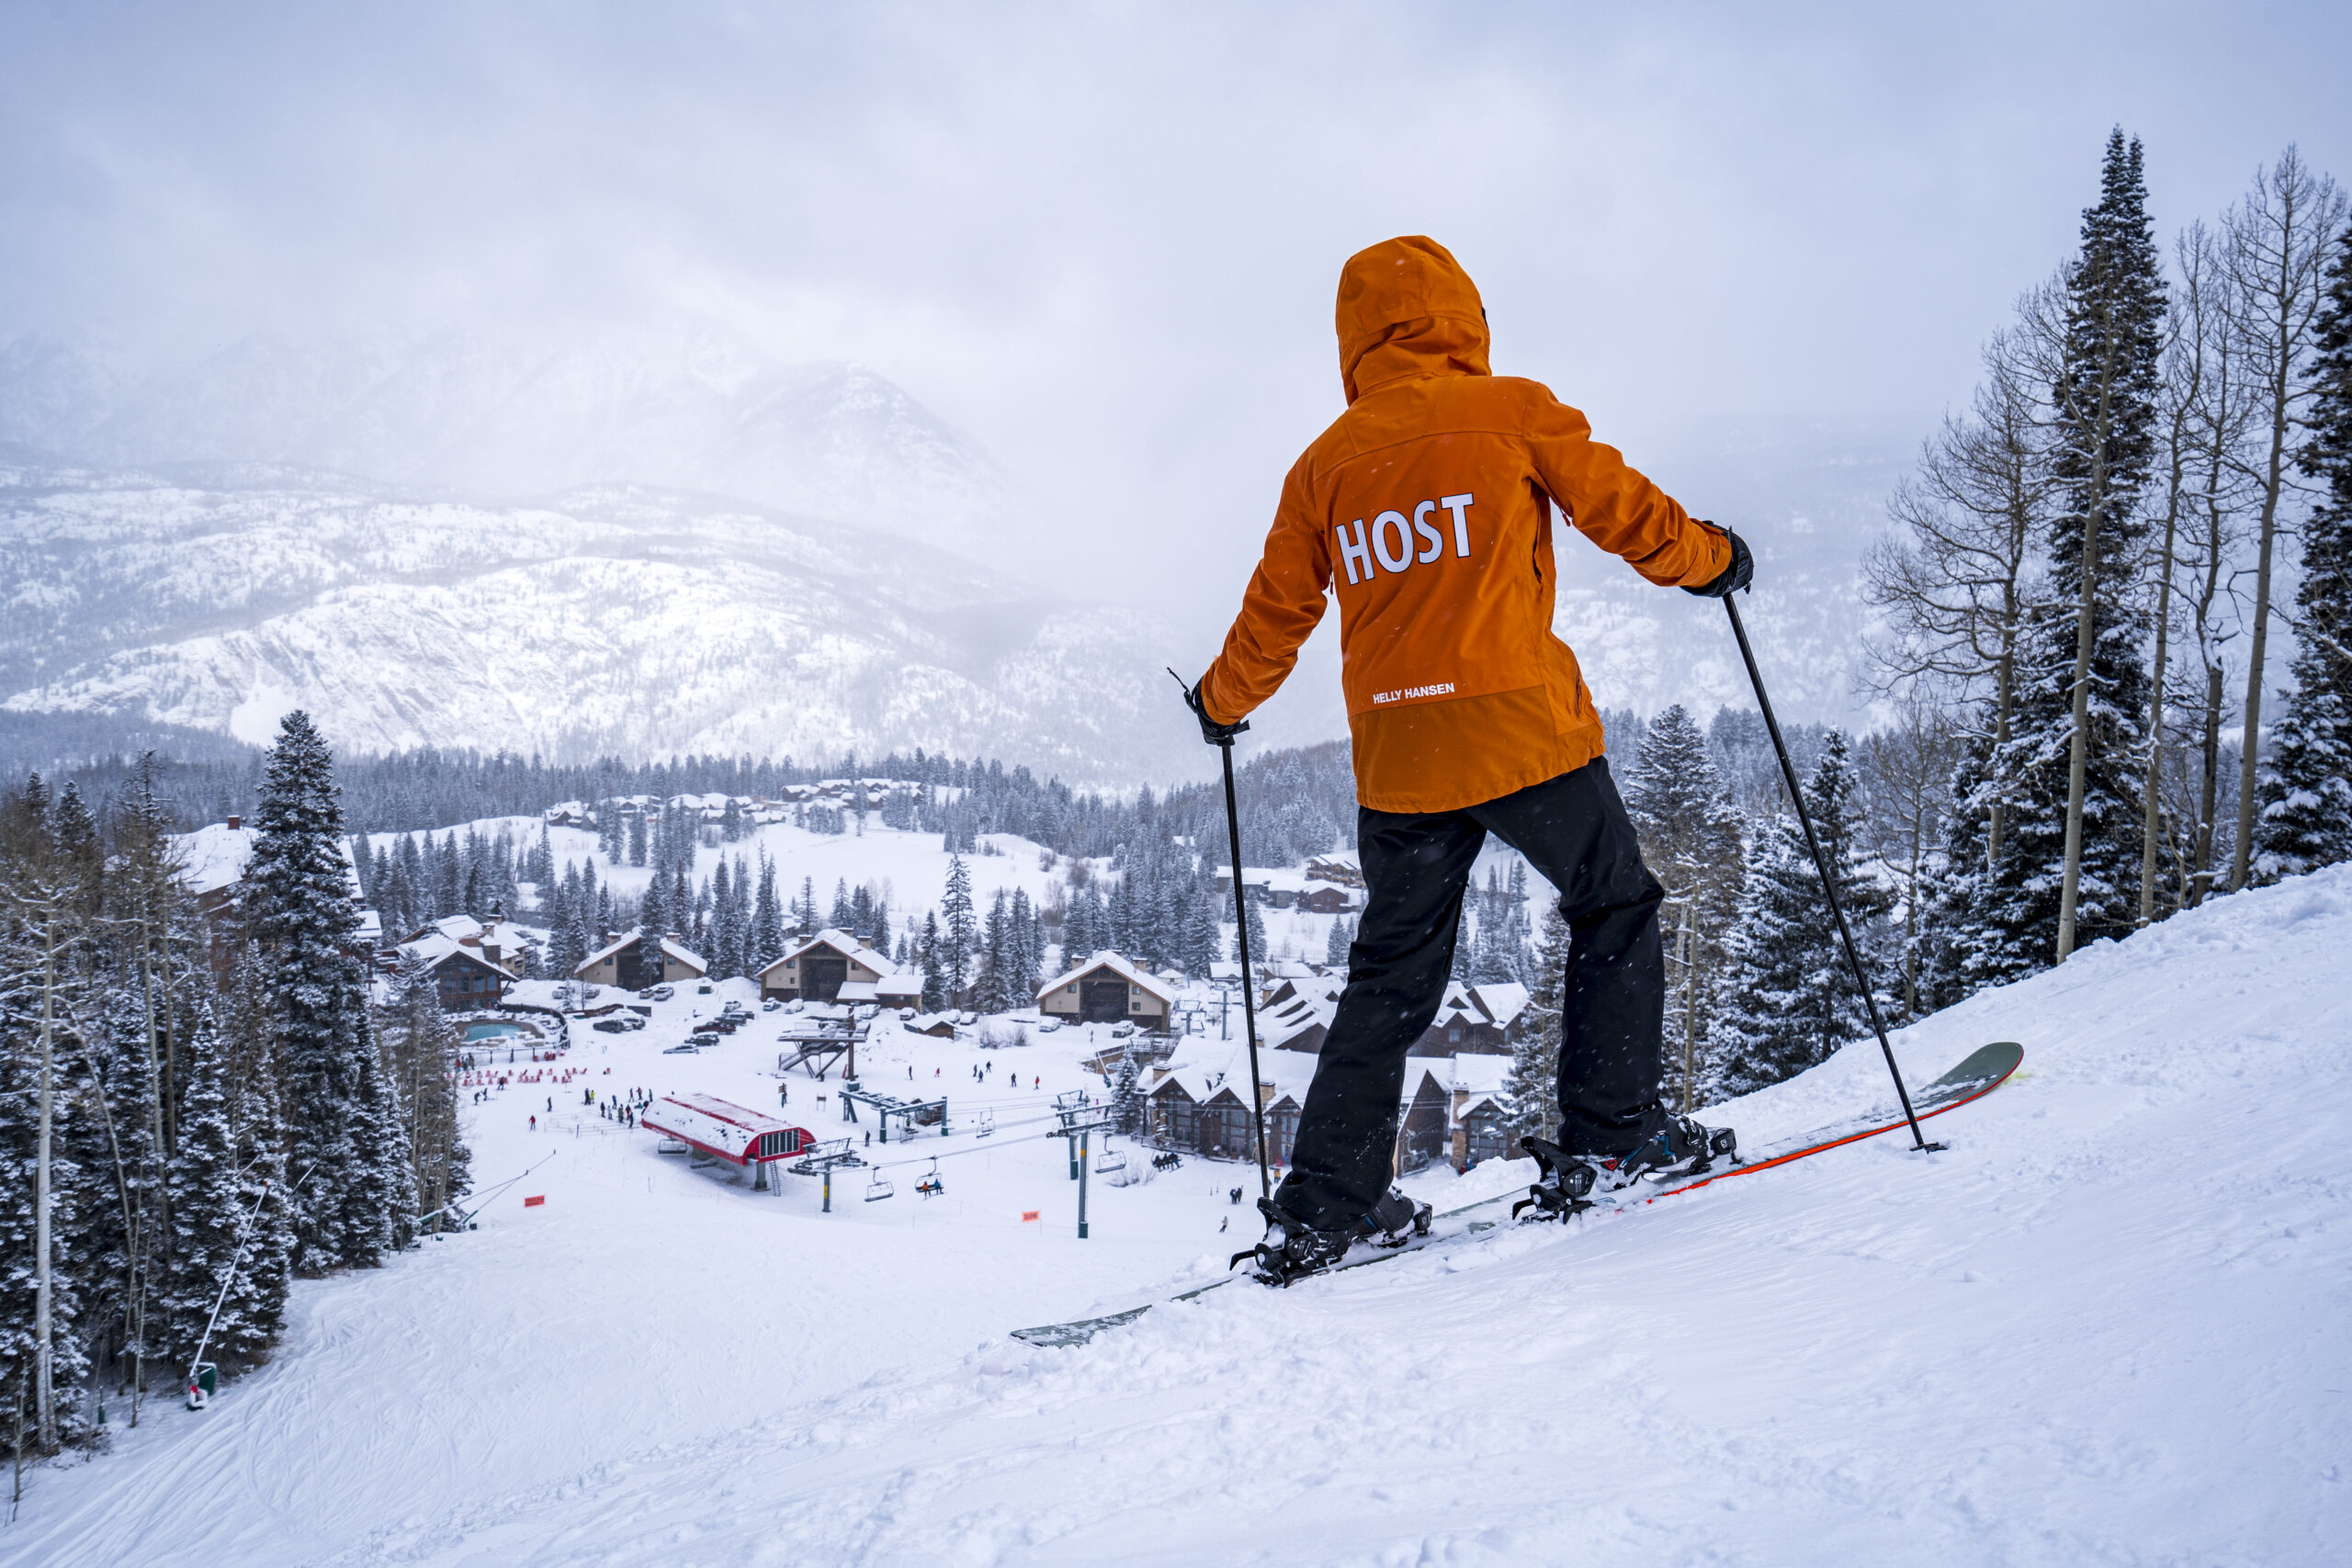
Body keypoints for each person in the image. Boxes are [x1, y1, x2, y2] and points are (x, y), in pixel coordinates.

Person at [1183, 236, 1749, 1283]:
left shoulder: (1324, 465)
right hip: (1519, 728)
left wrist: (1222, 705)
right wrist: (1710, 559)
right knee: (1612, 905)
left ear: (1352, 339)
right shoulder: (1512, 411)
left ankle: (1329, 1205)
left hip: (1400, 753)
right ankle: (1614, 1136)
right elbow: (1622, 513)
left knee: (1391, 978)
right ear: (1462, 318)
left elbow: (1276, 614)